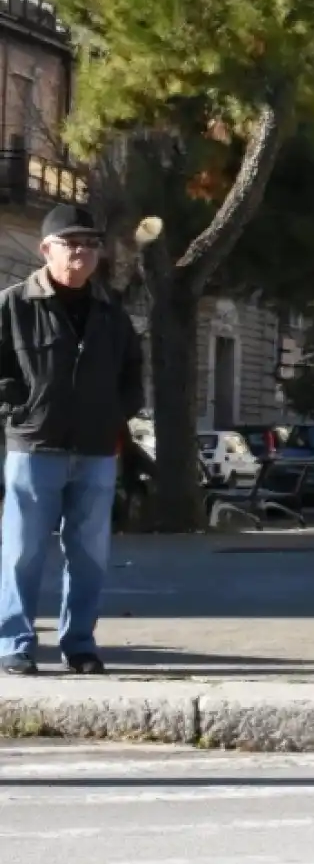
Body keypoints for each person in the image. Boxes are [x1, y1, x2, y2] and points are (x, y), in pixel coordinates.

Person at [0, 206, 144, 677]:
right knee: (23, 552)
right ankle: (14, 644)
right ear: (46, 250)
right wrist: (18, 411)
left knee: (89, 556)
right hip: (34, 448)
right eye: (70, 242)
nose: (81, 251)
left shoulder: (111, 313)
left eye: (91, 243)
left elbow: (131, 377)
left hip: (96, 452)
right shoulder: (14, 305)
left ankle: (79, 643)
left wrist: (112, 418)